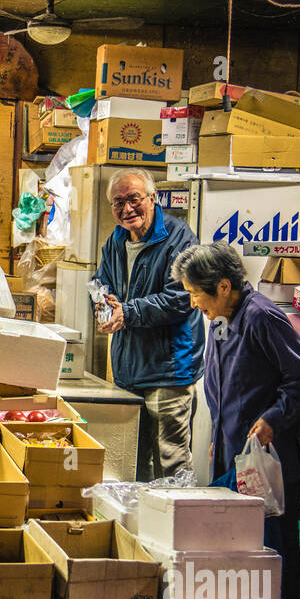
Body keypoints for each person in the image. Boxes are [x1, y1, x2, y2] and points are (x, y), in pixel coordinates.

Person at [171, 241, 300, 599]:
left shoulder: (264, 318)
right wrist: (216, 438)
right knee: (241, 536)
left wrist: (273, 419)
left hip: (272, 455)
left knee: (276, 537)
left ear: (222, 286)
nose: (192, 301)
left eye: (194, 292)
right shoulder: (219, 318)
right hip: (234, 449)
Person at [92, 168, 204, 481]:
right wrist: (101, 306)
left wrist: (127, 313)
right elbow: (100, 282)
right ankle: (136, 529)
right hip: (128, 370)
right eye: (118, 202)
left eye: (134, 199)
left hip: (168, 370)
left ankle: (173, 528)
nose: (127, 209)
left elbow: (183, 297)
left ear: (152, 198)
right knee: (131, 462)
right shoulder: (115, 241)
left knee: (171, 464)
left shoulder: (179, 237)